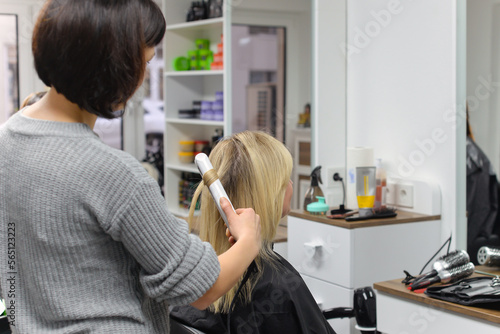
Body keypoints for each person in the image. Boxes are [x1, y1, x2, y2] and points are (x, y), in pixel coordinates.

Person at [0, 1, 261, 333]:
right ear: (116, 67)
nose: (144, 76)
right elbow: (202, 289)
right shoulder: (113, 174)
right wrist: (250, 240)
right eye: (146, 61)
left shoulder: (6, 140)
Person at [170, 131, 336, 334]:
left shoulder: (189, 282)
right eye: (286, 179)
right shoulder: (276, 287)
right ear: (270, 194)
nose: (291, 185)